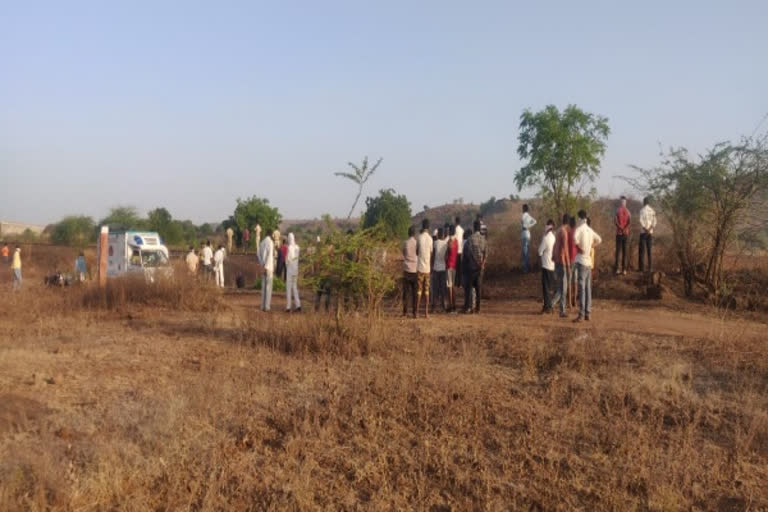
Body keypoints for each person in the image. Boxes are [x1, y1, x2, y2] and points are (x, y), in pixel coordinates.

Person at [573, 210, 602, 322]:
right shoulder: (590, 230)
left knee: (582, 289)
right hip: (589, 263)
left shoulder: (579, 229)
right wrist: (591, 246)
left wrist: (579, 248)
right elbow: (599, 239)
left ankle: (581, 314)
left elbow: (574, 239)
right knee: (588, 289)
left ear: (580, 218)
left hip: (581, 262)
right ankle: (587, 313)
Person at [462, 222, 487, 313]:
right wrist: (482, 264)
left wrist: (476, 263)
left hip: (472, 268)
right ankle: (478, 308)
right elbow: (485, 254)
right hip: (480, 268)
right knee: (478, 288)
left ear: (473, 228)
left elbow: (468, 254)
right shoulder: (483, 239)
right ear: (479, 228)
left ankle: (468, 308)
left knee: (469, 288)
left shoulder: (470, 239)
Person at [552, 214, 571, 318]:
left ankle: (551, 304)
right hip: (562, 262)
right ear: (567, 223)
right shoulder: (564, 232)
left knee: (560, 287)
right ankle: (561, 310)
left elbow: (555, 246)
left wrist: (553, 257)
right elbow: (565, 250)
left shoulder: (558, 231)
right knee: (563, 288)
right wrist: (568, 265)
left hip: (557, 261)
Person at [416, 219, 433, 318]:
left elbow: (417, 252)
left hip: (420, 268)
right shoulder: (430, 239)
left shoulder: (419, 238)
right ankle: (426, 313)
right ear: (428, 227)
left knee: (419, 291)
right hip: (427, 269)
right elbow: (431, 254)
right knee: (426, 291)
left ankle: (417, 313)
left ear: (422, 226)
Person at [538, 220, 556, 313]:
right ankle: (550, 306)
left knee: (545, 288)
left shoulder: (545, 238)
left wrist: (543, 236)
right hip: (552, 265)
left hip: (545, 265)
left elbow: (540, 251)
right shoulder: (553, 237)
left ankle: (547, 307)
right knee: (550, 287)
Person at [258, 231, 277, 311]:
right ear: (271, 234)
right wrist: (266, 266)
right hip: (268, 267)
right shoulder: (270, 242)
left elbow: (258, 254)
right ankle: (267, 307)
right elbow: (269, 256)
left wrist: (262, 264)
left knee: (263, 287)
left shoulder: (262, 243)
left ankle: (262, 306)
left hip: (263, 266)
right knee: (268, 288)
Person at [402, 225, 418, 318]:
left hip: (407, 269)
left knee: (406, 293)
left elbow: (403, 253)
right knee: (414, 293)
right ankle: (414, 312)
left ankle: (405, 312)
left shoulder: (405, 243)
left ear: (408, 233)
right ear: (414, 233)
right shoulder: (416, 243)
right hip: (415, 269)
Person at [638, 196, 657, 272]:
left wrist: (645, 229)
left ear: (643, 202)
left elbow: (640, 221)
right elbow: (655, 221)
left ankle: (641, 268)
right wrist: (650, 229)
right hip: (650, 232)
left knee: (642, 250)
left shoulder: (642, 210)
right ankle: (650, 267)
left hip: (643, 232)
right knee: (649, 250)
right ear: (649, 203)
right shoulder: (652, 211)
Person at [614, 196, 631, 275]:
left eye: (623, 201)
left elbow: (615, 221)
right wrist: (624, 228)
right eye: (622, 201)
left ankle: (619, 269)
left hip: (620, 233)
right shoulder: (627, 211)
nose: (623, 203)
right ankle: (623, 269)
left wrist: (621, 228)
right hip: (624, 233)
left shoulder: (618, 210)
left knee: (619, 251)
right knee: (623, 251)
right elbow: (629, 222)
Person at [433, 227, 448, 312]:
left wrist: (432, 266)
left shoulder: (435, 243)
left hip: (435, 268)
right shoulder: (446, 244)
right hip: (443, 268)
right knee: (443, 288)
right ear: (443, 235)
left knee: (435, 288)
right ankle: (444, 306)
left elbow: (433, 256)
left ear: (438, 234)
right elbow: (446, 256)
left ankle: (434, 307)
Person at [285, 233, 301, 312]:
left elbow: (288, 260)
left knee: (288, 288)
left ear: (289, 238)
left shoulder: (289, 247)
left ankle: (288, 307)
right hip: (296, 270)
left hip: (290, 271)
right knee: (295, 287)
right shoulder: (298, 247)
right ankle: (298, 305)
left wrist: (287, 263)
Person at [445, 225, 459, 313]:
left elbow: (447, 254)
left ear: (450, 231)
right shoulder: (456, 241)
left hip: (449, 265)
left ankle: (450, 306)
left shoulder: (449, 241)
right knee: (453, 286)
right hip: (454, 265)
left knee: (449, 287)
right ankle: (454, 305)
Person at [521, 204, 537, 273]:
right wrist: (529, 226)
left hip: (524, 234)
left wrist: (526, 226)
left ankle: (525, 269)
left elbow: (522, 222)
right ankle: (527, 267)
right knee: (527, 252)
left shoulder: (524, 215)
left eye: (523, 208)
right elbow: (535, 221)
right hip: (528, 234)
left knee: (525, 253)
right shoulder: (528, 215)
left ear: (524, 209)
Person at [567, 216, 578, 308]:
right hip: (577, 259)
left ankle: (569, 302)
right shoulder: (578, 232)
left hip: (570, 260)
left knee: (569, 282)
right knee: (575, 281)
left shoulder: (568, 233)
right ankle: (575, 301)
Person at [454, 216, 464, 287]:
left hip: (455, 251)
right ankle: (460, 283)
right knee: (460, 268)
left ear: (455, 222)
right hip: (461, 250)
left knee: (455, 268)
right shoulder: (462, 230)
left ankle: (455, 282)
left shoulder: (455, 229)